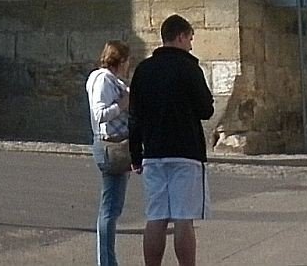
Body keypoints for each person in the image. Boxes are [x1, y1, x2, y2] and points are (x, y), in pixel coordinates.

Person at [126, 13, 213, 266]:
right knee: (184, 218)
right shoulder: (189, 68)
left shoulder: (144, 69)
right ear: (180, 36)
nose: (191, 45)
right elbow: (206, 110)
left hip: (153, 152)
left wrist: (135, 154)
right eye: (190, 39)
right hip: (185, 152)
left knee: (156, 217)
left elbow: (134, 116)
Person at [85, 39, 132, 266]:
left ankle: (107, 260)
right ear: (120, 60)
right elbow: (99, 113)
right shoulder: (103, 79)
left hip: (116, 145)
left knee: (113, 207)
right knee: (110, 208)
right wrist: (123, 105)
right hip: (111, 146)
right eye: (126, 61)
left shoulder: (109, 79)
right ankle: (106, 261)